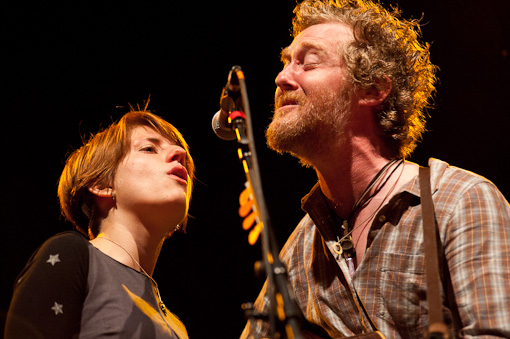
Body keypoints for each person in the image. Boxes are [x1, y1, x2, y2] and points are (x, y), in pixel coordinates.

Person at [241, 0, 510, 338]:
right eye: (285, 63)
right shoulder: (300, 248)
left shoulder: (460, 202)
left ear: (373, 89)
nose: (282, 78)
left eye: (308, 62)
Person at [5, 108, 195, 338]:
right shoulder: (70, 255)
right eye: (149, 148)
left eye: (179, 151)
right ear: (102, 184)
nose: (179, 153)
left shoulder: (178, 327)